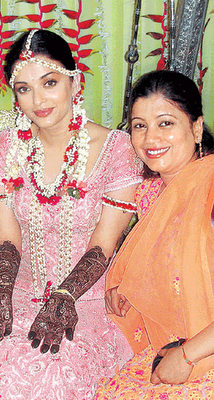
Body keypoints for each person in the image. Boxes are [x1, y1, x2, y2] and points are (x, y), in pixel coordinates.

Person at [0, 29, 143, 399]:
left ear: (74, 84)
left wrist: (64, 297)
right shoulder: (4, 148)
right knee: (6, 371)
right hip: (20, 293)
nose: (38, 100)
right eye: (24, 88)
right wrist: (0, 293)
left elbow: (104, 243)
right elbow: (8, 238)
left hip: (89, 298)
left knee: (59, 375)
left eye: (49, 82)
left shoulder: (117, 149)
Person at [95, 70, 214, 399]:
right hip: (170, 348)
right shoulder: (149, 194)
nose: (150, 139)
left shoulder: (210, 187)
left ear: (196, 127)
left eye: (165, 123)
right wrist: (128, 284)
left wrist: (188, 355)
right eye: (139, 126)